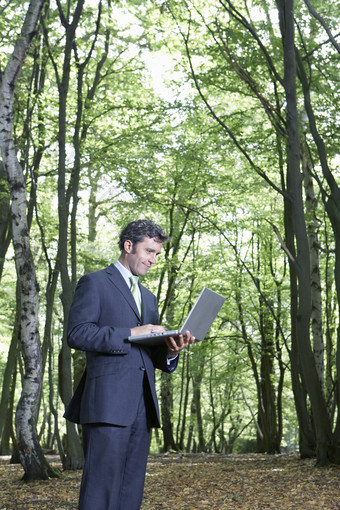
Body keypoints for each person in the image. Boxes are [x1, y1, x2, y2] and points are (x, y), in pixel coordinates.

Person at [64, 219, 195, 510]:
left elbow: (147, 353)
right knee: (101, 490)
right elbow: (77, 333)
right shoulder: (95, 282)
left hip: (142, 406)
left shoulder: (148, 297)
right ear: (128, 246)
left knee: (130, 491)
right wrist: (130, 332)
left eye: (157, 254)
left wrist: (172, 350)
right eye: (149, 251)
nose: (152, 259)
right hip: (107, 403)